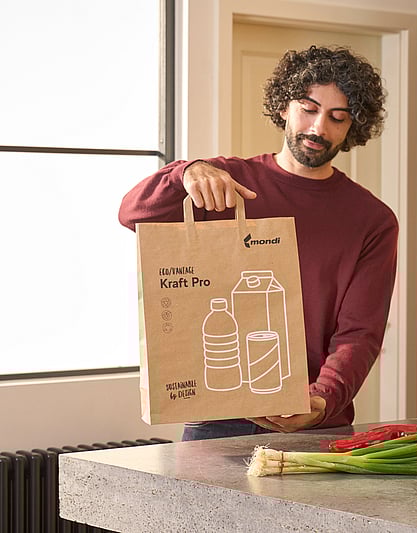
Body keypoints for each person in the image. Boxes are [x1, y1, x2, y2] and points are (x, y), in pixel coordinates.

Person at [118, 45, 398, 440]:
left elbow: (360, 332)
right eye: (308, 108)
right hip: (216, 413)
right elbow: (132, 213)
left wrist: (321, 400)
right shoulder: (226, 181)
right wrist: (185, 172)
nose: (319, 128)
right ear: (284, 106)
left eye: (338, 118)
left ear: (353, 127)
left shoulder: (372, 220)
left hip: (310, 419)